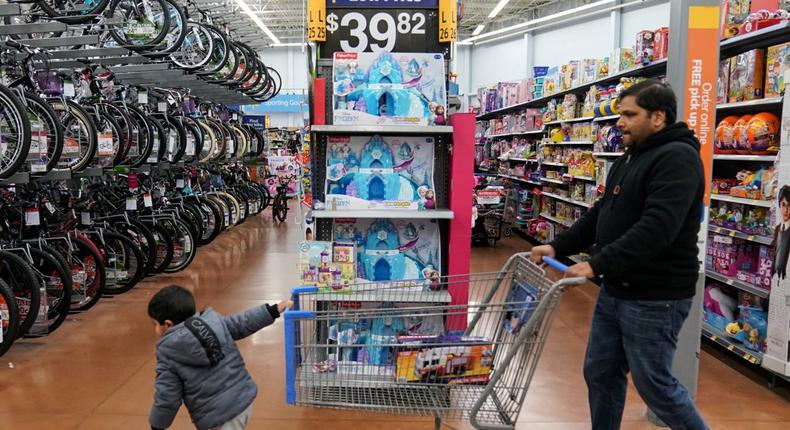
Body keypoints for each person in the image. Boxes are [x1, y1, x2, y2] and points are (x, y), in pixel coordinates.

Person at [531, 80, 708, 429]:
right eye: (620, 114)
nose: (620, 123)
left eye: (630, 115)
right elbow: (601, 213)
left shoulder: (678, 159)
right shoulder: (631, 156)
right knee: (601, 370)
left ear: (658, 117)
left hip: (655, 295)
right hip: (617, 289)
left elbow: (656, 229)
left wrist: (596, 263)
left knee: (654, 384)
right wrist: (558, 245)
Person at [148, 285, 292, 430]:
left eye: (154, 324)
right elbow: (242, 322)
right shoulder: (213, 322)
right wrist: (272, 311)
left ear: (167, 324)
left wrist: (157, 426)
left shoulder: (168, 352)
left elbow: (167, 397)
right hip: (243, 401)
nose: (154, 329)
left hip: (218, 418)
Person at [773, 185, 790, 280]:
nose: (786, 210)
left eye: (789, 205)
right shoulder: (777, 229)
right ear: (779, 205)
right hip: (774, 278)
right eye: (783, 205)